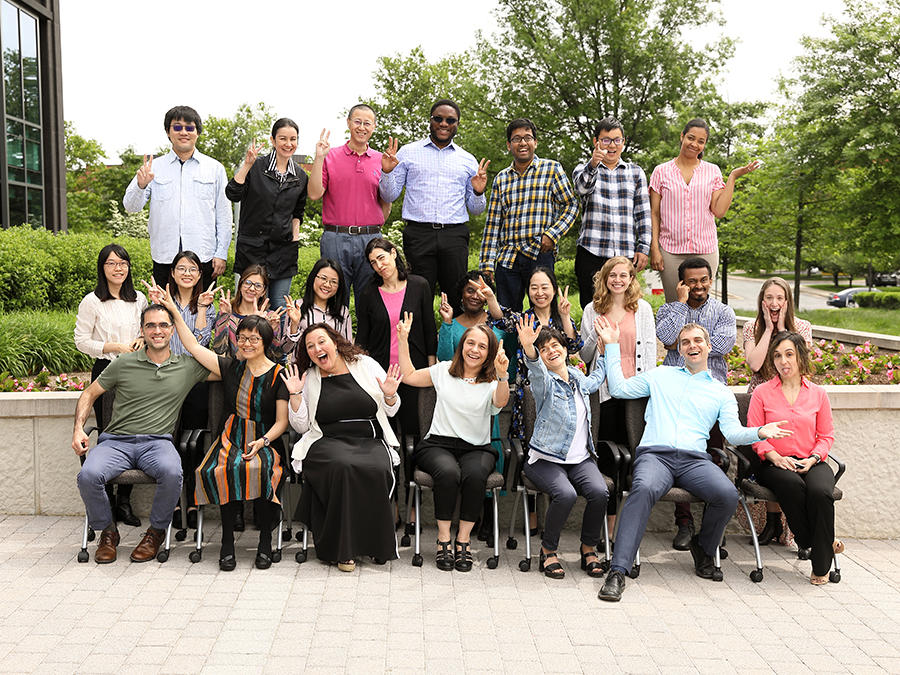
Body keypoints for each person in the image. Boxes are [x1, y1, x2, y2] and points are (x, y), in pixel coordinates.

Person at [595, 321, 791, 601]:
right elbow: (618, 388)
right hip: (656, 455)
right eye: (685, 342)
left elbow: (732, 432)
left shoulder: (720, 391)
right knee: (643, 489)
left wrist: (759, 432)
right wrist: (612, 345)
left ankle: (703, 547)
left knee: (725, 494)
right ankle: (617, 571)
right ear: (680, 349)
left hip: (694, 460)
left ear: (709, 347)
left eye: (698, 340)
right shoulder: (661, 375)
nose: (692, 345)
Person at [157, 284, 289, 571]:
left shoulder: (280, 374)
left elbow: (282, 421)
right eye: (242, 338)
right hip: (231, 437)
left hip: (267, 439)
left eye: (253, 339)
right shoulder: (230, 368)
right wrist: (172, 310)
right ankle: (227, 541)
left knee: (265, 469)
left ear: (265, 341)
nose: (246, 344)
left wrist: (263, 442)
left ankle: (265, 540)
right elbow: (192, 346)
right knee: (222, 469)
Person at [72, 303, 210, 564]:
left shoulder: (187, 366)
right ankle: (108, 532)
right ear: (142, 330)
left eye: (163, 325)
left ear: (172, 330)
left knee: (173, 472)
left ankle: (155, 533)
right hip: (116, 442)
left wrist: (189, 336)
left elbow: (225, 367)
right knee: (88, 475)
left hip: (158, 442)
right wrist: (79, 428)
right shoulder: (124, 363)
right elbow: (89, 394)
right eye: (151, 326)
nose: (157, 331)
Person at [397, 315, 510, 572]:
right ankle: (444, 538)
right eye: (471, 343)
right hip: (438, 444)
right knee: (448, 473)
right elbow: (409, 376)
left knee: (474, 475)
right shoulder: (444, 370)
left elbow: (501, 403)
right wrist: (403, 340)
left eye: (482, 347)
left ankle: (464, 540)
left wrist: (503, 377)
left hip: (477, 447)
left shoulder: (492, 381)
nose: (475, 350)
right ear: (462, 345)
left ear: (489, 353)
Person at [287, 324, 403, 571]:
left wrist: (391, 395)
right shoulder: (310, 377)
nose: (317, 348)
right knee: (343, 466)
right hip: (326, 441)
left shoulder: (365, 364)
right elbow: (300, 426)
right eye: (310, 346)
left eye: (321, 341)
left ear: (336, 342)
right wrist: (296, 395)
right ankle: (343, 550)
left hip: (369, 440)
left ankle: (375, 545)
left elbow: (391, 409)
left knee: (375, 467)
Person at [485, 266, 582, 533]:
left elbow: (573, 347)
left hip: (560, 398)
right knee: (532, 454)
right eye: (534, 287)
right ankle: (532, 520)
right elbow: (500, 318)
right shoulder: (524, 319)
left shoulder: (562, 319)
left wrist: (565, 316)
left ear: (553, 289)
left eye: (545, 287)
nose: (539, 292)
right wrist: (491, 299)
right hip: (530, 397)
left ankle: (554, 514)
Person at [516, 320, 609, 579]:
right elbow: (535, 371)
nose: (551, 351)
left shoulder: (577, 377)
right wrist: (529, 348)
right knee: (566, 494)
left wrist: (605, 349)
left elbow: (595, 381)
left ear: (566, 349)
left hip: (579, 458)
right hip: (545, 459)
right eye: (544, 349)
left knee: (600, 492)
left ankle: (588, 548)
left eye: (555, 345)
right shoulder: (544, 382)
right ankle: (548, 550)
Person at [378, 98, 490, 312]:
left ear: (457, 123)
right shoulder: (408, 152)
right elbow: (389, 195)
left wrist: (478, 191)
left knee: (458, 296)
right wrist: (387, 172)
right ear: (430, 120)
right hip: (419, 234)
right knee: (418, 298)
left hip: (454, 235)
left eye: (450, 120)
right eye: (438, 118)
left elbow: (476, 209)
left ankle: (458, 344)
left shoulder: (467, 159)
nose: (444, 124)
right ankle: (421, 345)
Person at [656, 257, 736, 548]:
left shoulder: (724, 312)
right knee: (679, 456)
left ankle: (715, 524)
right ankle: (685, 523)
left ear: (710, 281)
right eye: (692, 281)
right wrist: (680, 306)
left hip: (711, 397)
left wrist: (684, 342)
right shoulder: (668, 310)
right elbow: (666, 337)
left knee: (715, 456)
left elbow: (723, 346)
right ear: (681, 283)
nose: (699, 286)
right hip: (676, 398)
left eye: (703, 280)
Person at [747, 331, 840, 585]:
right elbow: (754, 434)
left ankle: (819, 558)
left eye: (789, 354)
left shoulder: (818, 394)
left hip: (811, 460)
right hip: (773, 462)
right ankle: (820, 548)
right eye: (777, 356)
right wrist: (774, 456)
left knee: (821, 491)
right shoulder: (762, 393)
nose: (783, 361)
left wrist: (813, 458)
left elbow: (826, 436)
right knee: (792, 485)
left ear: (800, 356)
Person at [579, 256, 656, 536]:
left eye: (624, 275)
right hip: (604, 394)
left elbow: (649, 356)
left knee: (632, 460)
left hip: (634, 393)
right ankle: (608, 528)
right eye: (613, 275)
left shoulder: (643, 310)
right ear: (604, 278)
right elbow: (584, 356)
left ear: (631, 279)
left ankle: (627, 526)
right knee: (608, 460)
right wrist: (595, 341)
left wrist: (648, 391)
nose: (618, 280)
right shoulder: (592, 309)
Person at [74, 244, 149, 528]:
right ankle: (104, 498)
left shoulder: (138, 299)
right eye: (111, 263)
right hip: (106, 368)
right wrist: (114, 346)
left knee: (135, 433)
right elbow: (81, 341)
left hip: (136, 370)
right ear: (102, 268)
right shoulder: (92, 301)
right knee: (109, 434)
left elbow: (146, 328)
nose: (118, 268)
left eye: (123, 263)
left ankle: (124, 502)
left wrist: (141, 340)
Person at [648, 117, 760, 301]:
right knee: (675, 304)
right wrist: (655, 248)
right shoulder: (661, 171)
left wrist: (732, 177)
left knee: (701, 304)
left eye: (701, 141)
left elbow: (719, 211)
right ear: (682, 136)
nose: (695, 144)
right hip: (670, 251)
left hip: (705, 250)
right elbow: (654, 213)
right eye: (691, 138)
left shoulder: (713, 171)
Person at [123, 105, 231, 288]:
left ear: (197, 132)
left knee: (201, 309)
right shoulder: (153, 167)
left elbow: (224, 214)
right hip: (164, 256)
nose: (184, 132)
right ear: (168, 132)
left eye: (190, 128)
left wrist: (221, 253)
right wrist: (141, 185)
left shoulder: (214, 168)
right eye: (177, 127)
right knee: (164, 310)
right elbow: (130, 206)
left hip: (203, 256)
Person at [478, 118, 578, 310]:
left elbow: (571, 205)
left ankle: (545, 341)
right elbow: (493, 225)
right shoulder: (501, 178)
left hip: (540, 253)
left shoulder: (552, 169)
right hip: (508, 257)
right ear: (509, 145)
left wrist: (552, 234)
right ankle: (508, 342)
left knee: (544, 310)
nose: (522, 143)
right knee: (505, 314)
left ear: (535, 142)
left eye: (527, 138)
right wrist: (487, 265)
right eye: (516, 139)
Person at [742, 277, 813, 545]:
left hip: (794, 404)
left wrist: (783, 328)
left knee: (789, 462)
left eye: (779, 298)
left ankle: (791, 528)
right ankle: (771, 523)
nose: (774, 303)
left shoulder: (803, 327)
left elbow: (800, 365)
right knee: (769, 461)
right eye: (769, 298)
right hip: (762, 404)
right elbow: (755, 364)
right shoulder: (752, 328)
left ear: (787, 301)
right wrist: (769, 329)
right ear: (762, 301)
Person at [307, 104, 393, 304]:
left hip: (370, 238)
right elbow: (314, 193)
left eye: (367, 123)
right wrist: (319, 158)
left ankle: (364, 337)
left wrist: (373, 224)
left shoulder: (381, 160)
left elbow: (386, 201)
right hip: (335, 237)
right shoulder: (331, 156)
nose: (362, 127)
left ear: (373, 127)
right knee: (334, 298)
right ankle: (335, 336)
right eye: (357, 122)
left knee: (370, 298)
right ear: (348, 123)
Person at [355, 238, 437, 436]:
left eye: (381, 258)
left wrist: (431, 366)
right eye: (373, 262)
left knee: (415, 429)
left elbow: (429, 328)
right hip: (381, 373)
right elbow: (363, 337)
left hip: (414, 371)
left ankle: (412, 467)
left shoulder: (419, 285)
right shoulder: (368, 293)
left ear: (393, 253)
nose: (379, 265)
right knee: (384, 430)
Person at [226, 118, 309, 309]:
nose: (288, 144)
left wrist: (294, 237)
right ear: (273, 140)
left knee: (279, 304)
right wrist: (246, 165)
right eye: (283, 139)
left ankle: (278, 340)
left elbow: (298, 211)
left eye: (293, 139)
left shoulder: (300, 176)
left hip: (283, 250)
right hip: (252, 248)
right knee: (251, 303)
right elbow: (233, 193)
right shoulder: (256, 166)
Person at [163, 250, 218, 531]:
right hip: (165, 382)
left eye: (193, 269)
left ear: (199, 275)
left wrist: (204, 310)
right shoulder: (160, 304)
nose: (187, 273)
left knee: (194, 441)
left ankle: (194, 500)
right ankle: (173, 501)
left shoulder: (207, 306)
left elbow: (200, 344)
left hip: (195, 381)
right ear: (172, 272)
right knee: (168, 440)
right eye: (181, 268)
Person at [572, 116, 651, 307]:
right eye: (606, 140)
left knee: (625, 308)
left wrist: (644, 247)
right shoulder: (583, 169)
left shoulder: (635, 172)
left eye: (617, 140)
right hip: (592, 251)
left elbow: (643, 213)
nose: (611, 145)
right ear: (596, 142)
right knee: (592, 308)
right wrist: (592, 165)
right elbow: (581, 189)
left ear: (623, 142)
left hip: (624, 254)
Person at [283, 259, 352, 362]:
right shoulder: (296, 307)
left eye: (333, 282)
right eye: (323, 278)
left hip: (332, 372)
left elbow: (347, 349)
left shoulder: (342, 312)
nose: (327, 285)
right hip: (303, 372)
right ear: (313, 278)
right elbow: (285, 349)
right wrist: (294, 324)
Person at [212, 264, 285, 360]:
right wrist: (224, 316)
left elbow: (275, 356)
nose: (251, 288)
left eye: (258, 286)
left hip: (258, 371)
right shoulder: (228, 312)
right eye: (247, 283)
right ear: (240, 285)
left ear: (263, 291)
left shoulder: (270, 317)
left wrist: (271, 330)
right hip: (231, 370)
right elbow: (219, 349)